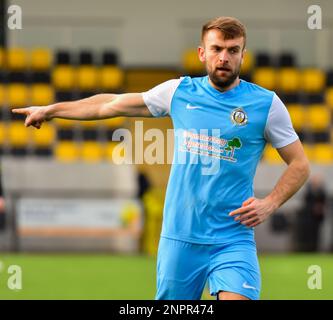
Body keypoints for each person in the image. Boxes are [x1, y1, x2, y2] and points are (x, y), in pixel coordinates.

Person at [12, 16, 310, 300]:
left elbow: (300, 164)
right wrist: (52, 110)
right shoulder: (179, 91)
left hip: (233, 238)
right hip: (180, 237)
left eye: (233, 50)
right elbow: (110, 105)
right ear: (202, 53)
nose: (224, 57)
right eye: (217, 49)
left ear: (243, 55)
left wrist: (270, 203)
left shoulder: (266, 104)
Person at [295, 174, 327, 252]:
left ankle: (315, 249)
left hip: (318, 217)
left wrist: (320, 208)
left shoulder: (322, 191)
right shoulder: (308, 191)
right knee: (307, 233)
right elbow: (306, 202)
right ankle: (306, 248)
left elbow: (324, 203)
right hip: (308, 216)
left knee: (316, 233)